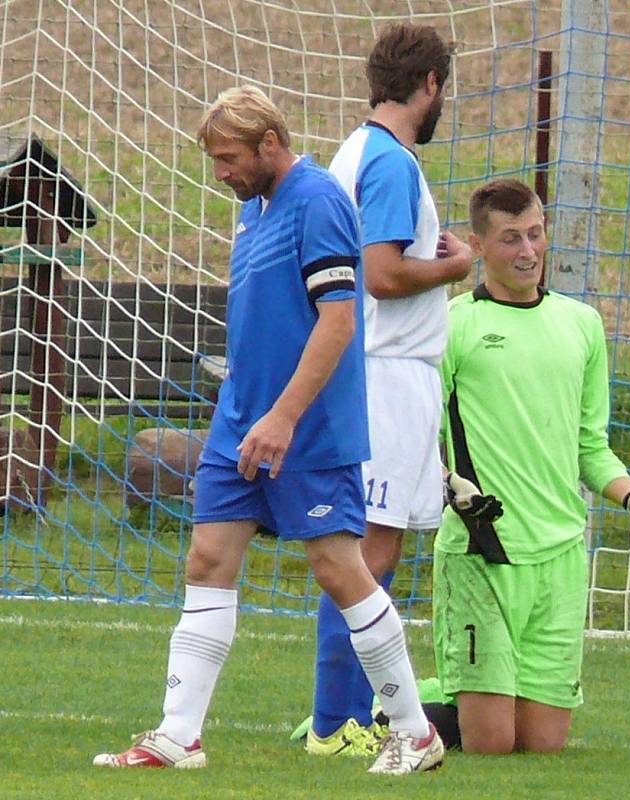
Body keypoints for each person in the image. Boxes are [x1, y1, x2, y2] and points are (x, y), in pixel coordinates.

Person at [91, 85, 443, 775]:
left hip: (306, 428)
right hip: (239, 424)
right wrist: (247, 409)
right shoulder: (256, 209)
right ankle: (178, 735)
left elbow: (339, 321)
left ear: (270, 145)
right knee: (206, 562)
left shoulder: (318, 201)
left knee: (338, 568)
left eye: (229, 158)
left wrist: (283, 417)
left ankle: (413, 731)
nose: (220, 173)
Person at [428, 178, 630, 754]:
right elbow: (415, 436)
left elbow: (590, 444)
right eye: (510, 239)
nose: (528, 251)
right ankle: (385, 709)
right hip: (484, 552)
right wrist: (447, 486)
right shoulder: (452, 325)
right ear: (479, 247)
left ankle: (411, 700)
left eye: (535, 234)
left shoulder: (581, 324)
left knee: (543, 745)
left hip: (560, 556)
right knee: (493, 747)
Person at [299, 23, 474, 757]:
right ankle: (336, 722)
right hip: (387, 372)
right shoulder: (392, 161)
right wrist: (456, 266)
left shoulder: (354, 150)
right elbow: (385, 274)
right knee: (368, 553)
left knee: (363, 550)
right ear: (429, 84)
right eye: (444, 90)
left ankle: (344, 712)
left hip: (370, 372)